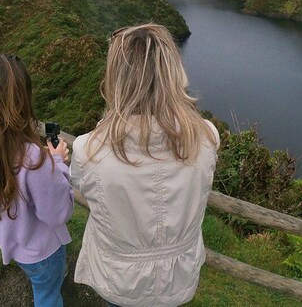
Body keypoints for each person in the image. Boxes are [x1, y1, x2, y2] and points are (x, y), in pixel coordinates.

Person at [70, 24, 220, 307]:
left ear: (117, 78)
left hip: (120, 281)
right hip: (179, 278)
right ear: (174, 72)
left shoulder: (88, 149)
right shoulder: (207, 137)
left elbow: (80, 184)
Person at [0, 54, 73, 307]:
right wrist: (58, 164)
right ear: (21, 100)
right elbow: (57, 214)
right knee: (48, 296)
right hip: (43, 251)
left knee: (41, 282)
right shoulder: (32, 158)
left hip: (13, 242)